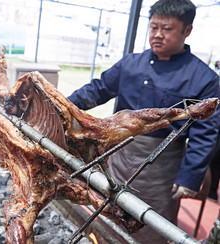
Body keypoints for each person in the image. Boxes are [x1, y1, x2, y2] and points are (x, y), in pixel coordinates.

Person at [67, 0, 220, 243]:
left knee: (148, 224)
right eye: (153, 27)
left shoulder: (204, 78)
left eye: (167, 29)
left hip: (162, 166)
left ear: (187, 30)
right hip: (119, 154)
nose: (158, 35)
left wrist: (189, 177)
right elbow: (98, 90)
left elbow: (205, 133)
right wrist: (62, 106)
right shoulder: (131, 64)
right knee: (106, 210)